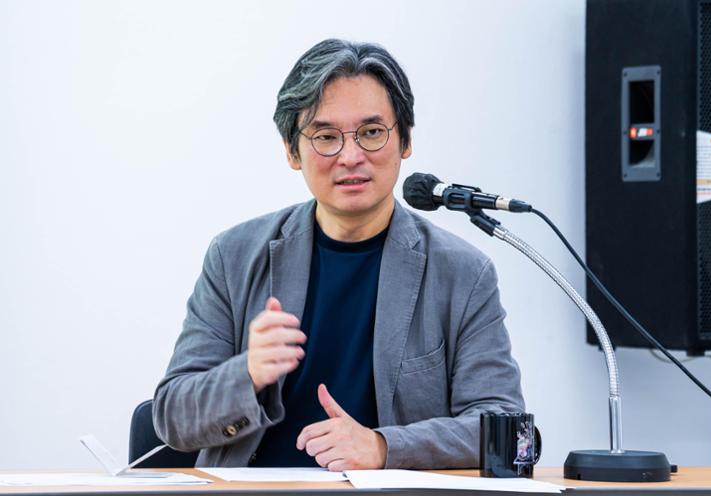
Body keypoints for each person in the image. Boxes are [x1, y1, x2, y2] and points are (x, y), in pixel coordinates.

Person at [152, 38, 524, 470]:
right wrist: (248, 373)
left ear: (404, 140)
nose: (350, 156)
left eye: (371, 133)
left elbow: (507, 430)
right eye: (326, 136)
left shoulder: (462, 273)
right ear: (293, 151)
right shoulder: (234, 256)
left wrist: (384, 447)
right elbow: (171, 416)